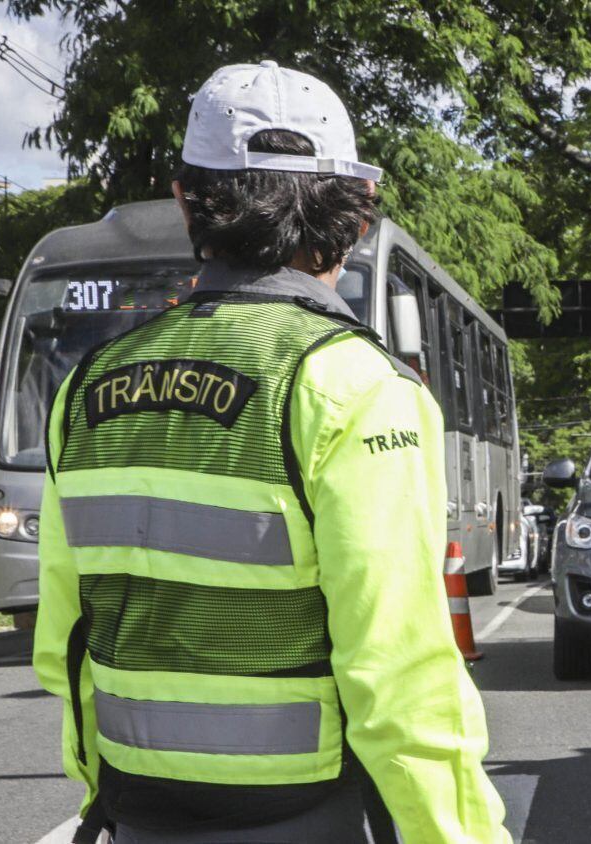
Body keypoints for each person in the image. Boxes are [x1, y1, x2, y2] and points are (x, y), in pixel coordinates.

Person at [32, 61, 508, 843]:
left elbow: (67, 640)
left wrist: (103, 798)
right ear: (357, 216)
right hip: (305, 813)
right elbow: (400, 673)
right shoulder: (354, 384)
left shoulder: (88, 385)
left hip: (137, 809)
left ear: (187, 200)